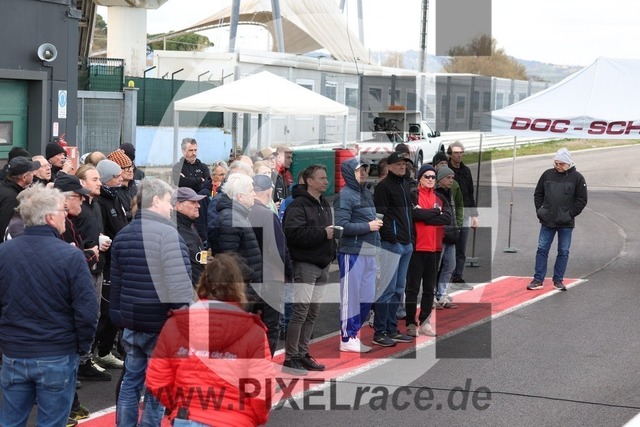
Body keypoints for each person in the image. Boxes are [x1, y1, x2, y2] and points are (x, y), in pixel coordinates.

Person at [0, 185, 98, 426]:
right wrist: (82, 346)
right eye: (62, 210)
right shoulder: (71, 256)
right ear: (49, 217)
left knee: (11, 420)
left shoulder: (4, 252)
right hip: (57, 352)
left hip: (15, 352)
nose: (66, 215)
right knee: (52, 422)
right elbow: (86, 311)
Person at [145, 254, 273, 427]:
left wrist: (179, 405)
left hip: (187, 416)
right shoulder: (254, 331)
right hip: (234, 419)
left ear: (203, 283)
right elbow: (261, 389)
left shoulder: (176, 324)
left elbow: (157, 378)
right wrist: (253, 418)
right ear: (238, 287)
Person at [110, 178, 194, 425]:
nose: (171, 207)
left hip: (133, 322)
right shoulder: (169, 235)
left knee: (131, 380)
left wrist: (119, 316)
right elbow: (179, 287)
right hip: (161, 325)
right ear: (156, 201)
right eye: (168, 201)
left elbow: (117, 283)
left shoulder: (123, 235)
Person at [282, 164, 335, 375]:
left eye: (326, 178)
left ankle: (303, 353)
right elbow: (293, 235)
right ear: (310, 181)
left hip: (322, 263)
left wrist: (331, 251)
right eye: (321, 178)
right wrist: (323, 234)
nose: (326, 181)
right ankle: (291, 357)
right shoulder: (298, 205)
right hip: (305, 264)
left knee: (312, 313)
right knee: (300, 312)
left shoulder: (323, 203)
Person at [333, 158, 383, 353]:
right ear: (349, 173)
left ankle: (352, 333)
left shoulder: (366, 193)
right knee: (351, 297)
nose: (363, 173)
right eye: (358, 170)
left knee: (367, 297)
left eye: (365, 169)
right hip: (352, 252)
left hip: (369, 251)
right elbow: (341, 226)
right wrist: (368, 226)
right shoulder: (344, 196)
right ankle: (347, 337)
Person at [527, 148, 587, 291]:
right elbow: (538, 193)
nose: (558, 166)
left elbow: (582, 199)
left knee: (563, 251)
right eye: (556, 163)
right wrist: (540, 210)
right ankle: (538, 280)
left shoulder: (578, 178)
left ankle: (558, 280)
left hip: (566, 222)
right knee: (542, 249)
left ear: (568, 163)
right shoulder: (547, 174)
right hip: (547, 220)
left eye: (561, 164)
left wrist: (570, 214)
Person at [372, 152, 415, 347]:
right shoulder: (383, 187)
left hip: (406, 243)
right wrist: (393, 238)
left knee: (398, 289)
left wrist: (410, 238)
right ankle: (380, 331)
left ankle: (392, 328)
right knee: (387, 289)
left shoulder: (404, 184)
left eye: (404, 163)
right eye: (398, 164)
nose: (402, 166)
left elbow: (408, 214)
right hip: (392, 244)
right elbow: (380, 217)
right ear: (389, 167)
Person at [405, 164, 452, 337]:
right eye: (427, 176)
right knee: (412, 288)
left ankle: (425, 322)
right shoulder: (413, 195)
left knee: (429, 288)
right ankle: (410, 322)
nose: (431, 179)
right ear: (420, 178)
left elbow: (447, 218)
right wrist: (435, 213)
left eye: (433, 177)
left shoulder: (440, 197)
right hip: (417, 248)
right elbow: (414, 215)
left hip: (435, 248)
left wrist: (426, 216)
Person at [248, 174, 292, 355]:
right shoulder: (267, 215)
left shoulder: (241, 213)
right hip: (270, 278)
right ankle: (264, 364)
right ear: (269, 192)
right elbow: (279, 250)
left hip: (249, 277)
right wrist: (289, 273)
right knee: (270, 326)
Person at [432, 158, 463, 309]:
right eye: (448, 178)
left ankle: (442, 294)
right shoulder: (436, 194)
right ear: (440, 179)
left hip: (451, 235)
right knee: (435, 267)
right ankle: (431, 295)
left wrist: (457, 226)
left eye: (452, 178)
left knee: (450, 266)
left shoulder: (450, 192)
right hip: (440, 235)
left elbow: (454, 211)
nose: (451, 180)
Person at [447, 141, 478, 289]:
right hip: (450, 214)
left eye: (461, 153)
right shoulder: (446, 171)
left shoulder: (466, 171)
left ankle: (458, 276)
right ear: (450, 154)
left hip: (465, 212)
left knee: (462, 247)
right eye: (456, 153)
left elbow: (470, 193)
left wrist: (474, 215)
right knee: (449, 246)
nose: (459, 155)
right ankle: (445, 275)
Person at [0, 156, 40, 243]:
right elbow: (5, 229)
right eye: (31, 172)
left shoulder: (4, 187)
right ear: (24, 177)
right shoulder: (12, 199)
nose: (34, 174)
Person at [174, 187, 207, 286]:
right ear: (179, 206)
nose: (198, 206)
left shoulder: (190, 224)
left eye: (197, 202)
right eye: (193, 202)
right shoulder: (175, 231)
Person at [107, 149, 137, 221]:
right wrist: (135, 213)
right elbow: (118, 216)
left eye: (131, 166)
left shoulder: (134, 187)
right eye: (126, 168)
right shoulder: (113, 191)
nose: (130, 170)